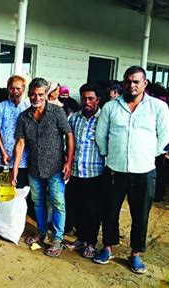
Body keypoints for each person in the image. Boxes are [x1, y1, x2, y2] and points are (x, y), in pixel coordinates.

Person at [94, 66, 169, 274]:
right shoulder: (111, 107)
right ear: (123, 83)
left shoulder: (157, 107)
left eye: (136, 81)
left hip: (144, 170)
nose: (132, 85)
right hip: (114, 169)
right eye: (128, 81)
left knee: (140, 214)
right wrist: (111, 155)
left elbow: (163, 138)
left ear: (144, 83)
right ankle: (108, 247)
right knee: (109, 210)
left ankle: (135, 253)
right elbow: (101, 136)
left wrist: (144, 155)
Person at [12, 77, 74, 258]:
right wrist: (15, 167)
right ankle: (41, 231)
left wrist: (68, 162)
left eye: (40, 94)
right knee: (38, 202)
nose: (36, 98)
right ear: (29, 95)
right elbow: (20, 143)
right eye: (33, 94)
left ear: (46, 95)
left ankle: (57, 238)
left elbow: (69, 135)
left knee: (58, 203)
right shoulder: (24, 117)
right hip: (34, 168)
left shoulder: (56, 112)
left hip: (56, 167)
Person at [64, 83, 105, 258]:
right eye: (84, 98)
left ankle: (91, 242)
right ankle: (81, 238)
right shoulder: (74, 118)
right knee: (77, 207)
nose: (86, 102)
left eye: (90, 98)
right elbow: (68, 143)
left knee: (92, 210)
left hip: (95, 173)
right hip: (76, 172)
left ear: (98, 100)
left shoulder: (104, 119)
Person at [0, 75, 30, 211]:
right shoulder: (1, 107)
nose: (15, 91)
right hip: (1, 157)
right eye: (12, 88)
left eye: (18, 88)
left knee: (18, 188)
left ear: (24, 89)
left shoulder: (29, 107)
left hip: (22, 158)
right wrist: (3, 151)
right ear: (8, 89)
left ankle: (13, 214)